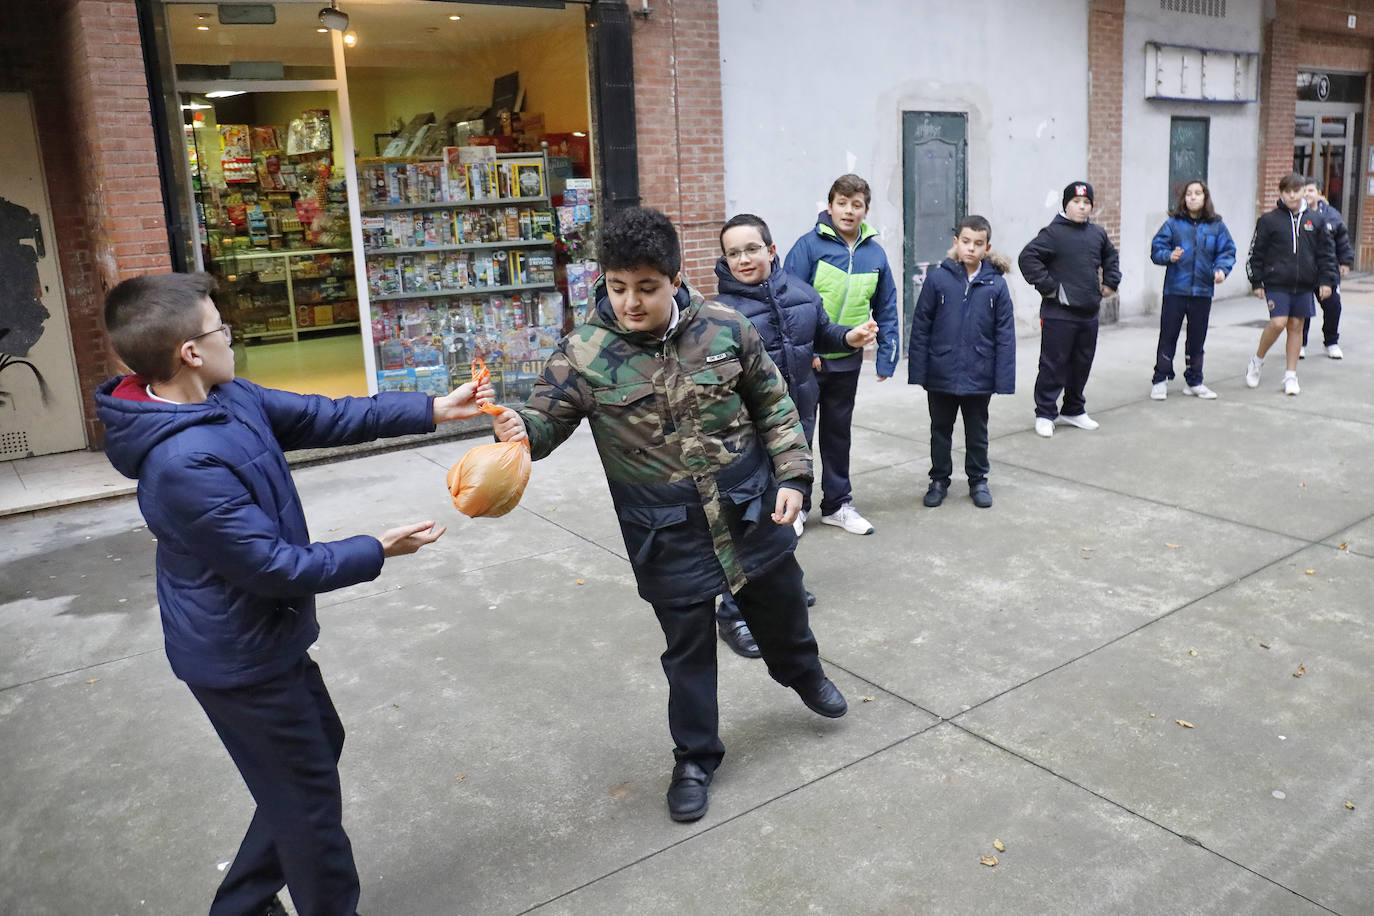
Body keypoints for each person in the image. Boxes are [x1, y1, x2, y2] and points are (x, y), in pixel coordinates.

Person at [94, 271, 494, 916]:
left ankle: (245, 904)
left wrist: (432, 409)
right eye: (219, 326)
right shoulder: (180, 464)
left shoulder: (226, 398)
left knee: (311, 762)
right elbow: (272, 567)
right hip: (236, 656)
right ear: (189, 352)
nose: (231, 335)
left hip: (261, 636)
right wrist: (376, 548)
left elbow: (322, 415)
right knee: (308, 806)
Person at [490, 207, 847, 824]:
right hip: (665, 531)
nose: (630, 302)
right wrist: (519, 429)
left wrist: (792, 475)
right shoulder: (584, 353)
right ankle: (695, 758)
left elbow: (774, 405)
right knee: (686, 650)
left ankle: (802, 673)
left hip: (749, 510)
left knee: (781, 604)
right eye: (618, 286)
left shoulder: (727, 328)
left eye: (647, 288)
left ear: (676, 279)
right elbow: (548, 419)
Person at [711, 212, 878, 658]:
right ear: (724, 260)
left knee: (786, 512)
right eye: (733, 252)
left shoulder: (802, 295)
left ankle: (782, 589)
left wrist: (851, 336)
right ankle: (732, 612)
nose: (743, 259)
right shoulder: (719, 316)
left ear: (771, 250)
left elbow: (821, 335)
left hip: (798, 422)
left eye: (751, 248)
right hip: (745, 436)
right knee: (746, 523)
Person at [783, 173, 900, 535]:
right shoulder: (808, 247)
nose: (849, 211)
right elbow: (788, 302)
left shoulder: (875, 254)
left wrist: (886, 356)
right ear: (830, 206)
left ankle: (837, 504)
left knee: (837, 434)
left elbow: (887, 306)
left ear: (865, 210)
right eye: (842, 203)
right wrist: (806, 351)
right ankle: (796, 507)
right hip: (809, 361)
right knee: (799, 433)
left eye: (857, 205)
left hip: (847, 360)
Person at [907, 214, 1015, 509]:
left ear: (987, 247)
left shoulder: (996, 285)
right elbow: (921, 326)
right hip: (941, 372)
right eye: (966, 242)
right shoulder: (938, 278)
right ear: (956, 242)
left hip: (979, 373)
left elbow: (1005, 334)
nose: (971, 248)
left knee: (977, 431)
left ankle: (978, 479)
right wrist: (919, 371)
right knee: (940, 429)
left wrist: (1002, 379)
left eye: (978, 244)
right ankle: (939, 479)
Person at [1019, 181, 1121, 438]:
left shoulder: (1097, 233)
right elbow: (1027, 258)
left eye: (1087, 203)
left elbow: (1111, 256)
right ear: (1066, 204)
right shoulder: (1053, 233)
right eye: (1076, 202)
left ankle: (1074, 408)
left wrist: (1111, 282)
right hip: (1059, 314)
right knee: (1053, 364)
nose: (1082, 207)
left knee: (1081, 363)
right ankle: (1045, 413)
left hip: (1088, 312)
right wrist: (1050, 288)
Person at [1245, 171, 1337, 396]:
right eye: (1287, 192)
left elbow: (1326, 254)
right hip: (1277, 282)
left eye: (1296, 191)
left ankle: (1290, 375)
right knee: (1278, 323)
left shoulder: (1316, 220)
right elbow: (1256, 253)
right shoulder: (1269, 220)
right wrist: (1257, 282)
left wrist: (1326, 280)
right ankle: (1257, 360)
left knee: (1296, 326)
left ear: (1304, 192)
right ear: (1281, 193)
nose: (1292, 196)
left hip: (1304, 284)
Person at [1147, 179, 1237, 400]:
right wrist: (1169, 256)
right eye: (1189, 194)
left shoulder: (1217, 226)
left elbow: (1227, 251)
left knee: (1197, 337)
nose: (1193, 197)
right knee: (1168, 335)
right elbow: (1157, 250)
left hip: (1203, 291)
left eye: (1198, 193)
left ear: (1205, 197)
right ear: (1183, 199)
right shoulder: (1173, 224)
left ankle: (1194, 380)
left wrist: (1221, 270)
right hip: (1175, 290)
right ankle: (1161, 378)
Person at [1300, 176, 1354, 359]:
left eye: (1311, 190)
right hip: (1304, 270)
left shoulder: (1331, 215)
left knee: (1333, 306)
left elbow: (1342, 240)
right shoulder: (1296, 214)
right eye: (1304, 190)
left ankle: (1331, 342)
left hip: (1327, 269)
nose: (1307, 194)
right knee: (1303, 309)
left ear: (1319, 194)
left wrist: (1345, 262)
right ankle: (1300, 343)